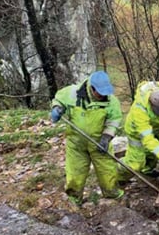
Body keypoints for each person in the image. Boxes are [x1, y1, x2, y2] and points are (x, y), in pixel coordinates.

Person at [50, 71, 123, 204]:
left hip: (100, 143)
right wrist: (57, 108)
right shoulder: (72, 93)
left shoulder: (112, 102)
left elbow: (114, 120)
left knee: (108, 172)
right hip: (76, 143)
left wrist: (107, 137)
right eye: (100, 93)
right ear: (92, 88)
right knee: (75, 173)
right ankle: (73, 200)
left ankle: (112, 196)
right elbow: (59, 99)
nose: (103, 96)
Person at [118, 81, 159, 181]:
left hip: (156, 128)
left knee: (151, 155)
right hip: (137, 133)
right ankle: (116, 172)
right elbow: (148, 140)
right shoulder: (140, 111)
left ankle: (147, 169)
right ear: (151, 105)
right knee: (135, 164)